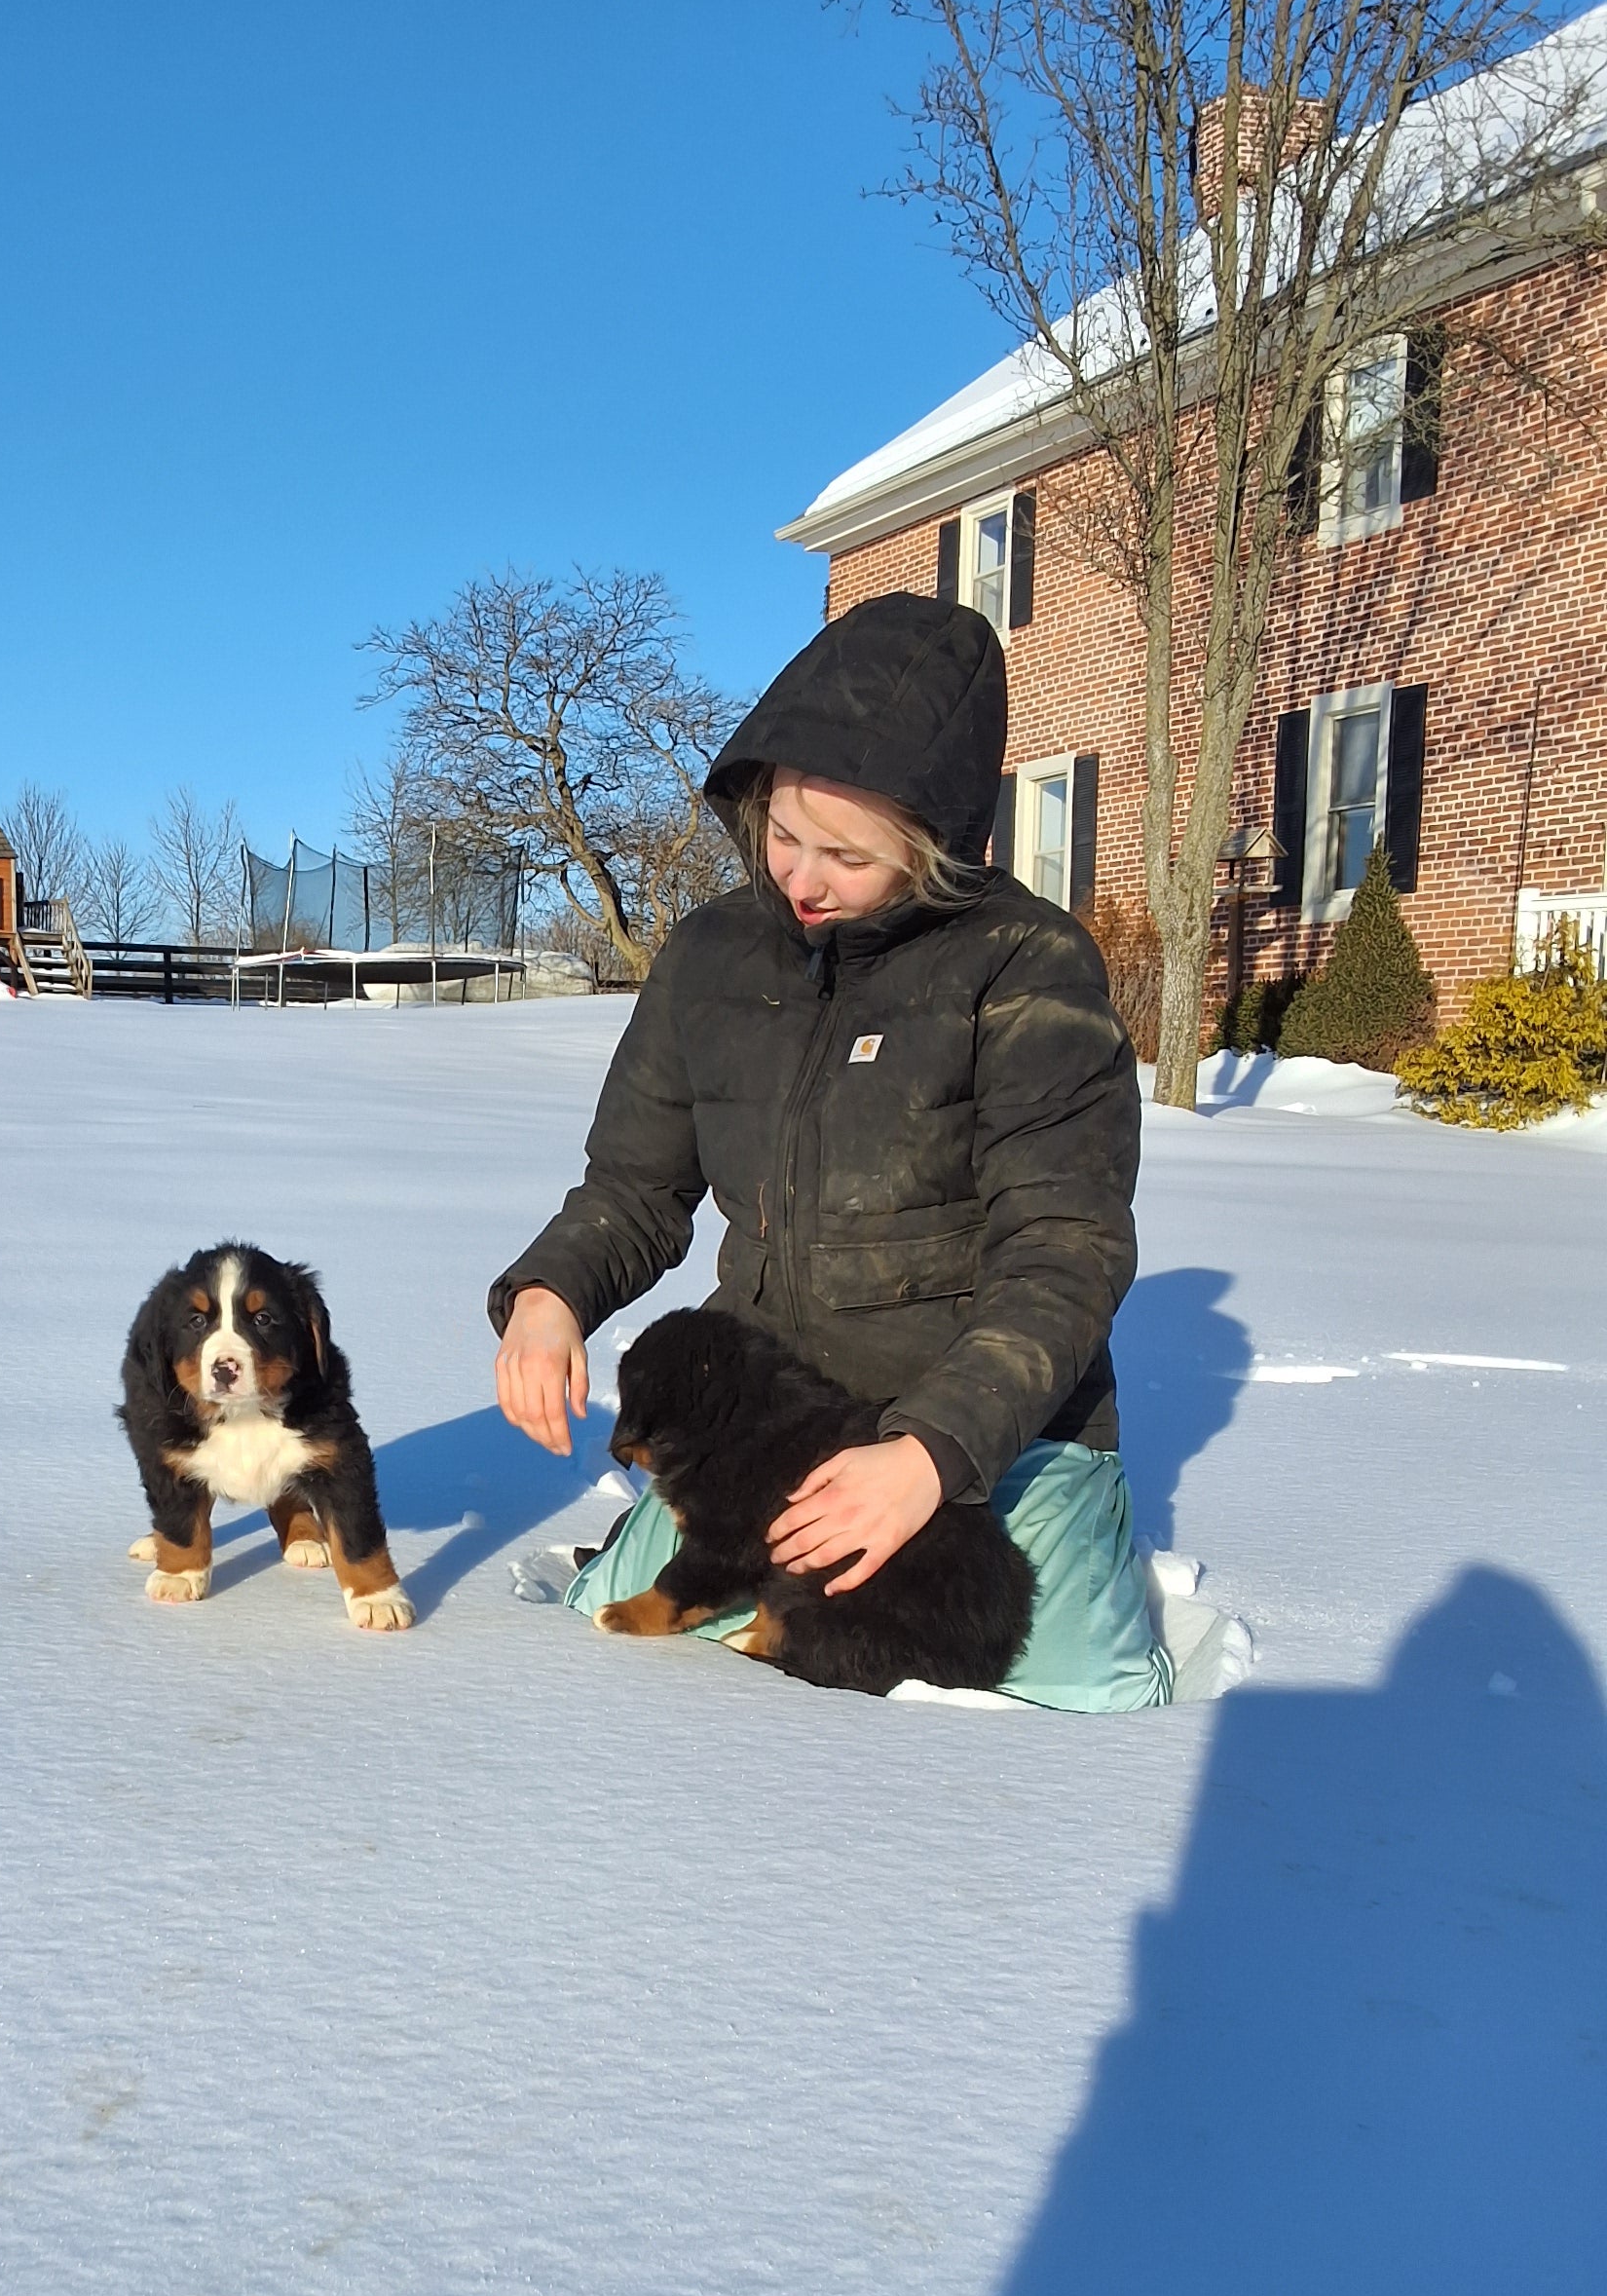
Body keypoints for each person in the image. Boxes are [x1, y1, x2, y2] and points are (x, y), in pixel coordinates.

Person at [490, 590, 1172, 1711]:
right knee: (620, 1651)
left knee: (1063, 1703)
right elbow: (636, 1184)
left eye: (846, 857)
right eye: (784, 834)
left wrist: (928, 1457)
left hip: (992, 1447)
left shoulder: (1026, 969)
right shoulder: (712, 957)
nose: (800, 879)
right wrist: (550, 1295)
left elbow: (1064, 1252)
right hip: (772, 1434)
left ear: (936, 849)